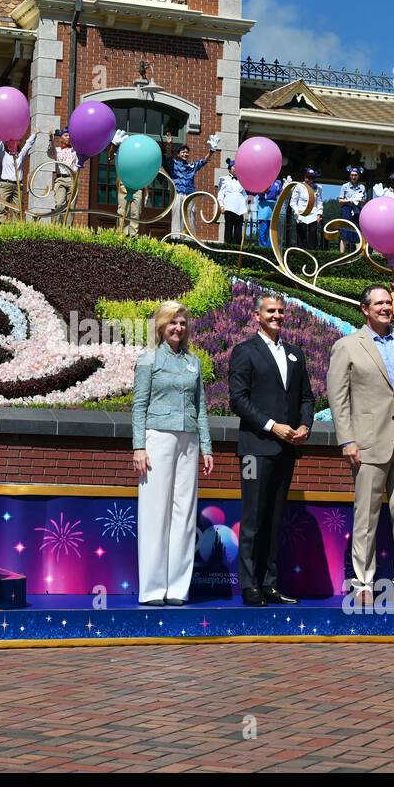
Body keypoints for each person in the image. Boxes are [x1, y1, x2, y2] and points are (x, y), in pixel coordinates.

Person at [326, 284, 394, 608]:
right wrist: (347, 440)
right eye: (379, 303)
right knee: (366, 517)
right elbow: (339, 399)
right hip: (367, 444)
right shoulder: (347, 346)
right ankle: (362, 583)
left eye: (389, 302)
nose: (386, 308)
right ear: (365, 309)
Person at [228, 292, 314, 607]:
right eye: (270, 311)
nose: (276, 315)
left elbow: (306, 397)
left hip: (286, 450)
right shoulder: (244, 352)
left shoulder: (296, 354)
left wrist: (305, 426)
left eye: (280, 311)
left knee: (276, 519)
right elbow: (238, 399)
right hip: (255, 449)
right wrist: (272, 426)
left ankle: (270, 583)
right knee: (253, 517)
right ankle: (250, 585)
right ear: (257, 316)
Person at [131, 301, 213, 606]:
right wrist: (139, 446)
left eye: (182, 323)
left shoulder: (194, 362)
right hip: (158, 438)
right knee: (155, 512)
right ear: (161, 326)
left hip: (189, 439)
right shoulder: (149, 360)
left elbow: (201, 407)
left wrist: (206, 445)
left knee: (184, 513)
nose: (178, 328)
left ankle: (178, 588)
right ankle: (152, 590)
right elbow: (139, 406)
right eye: (172, 323)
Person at [163, 132, 218, 237]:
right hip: (178, 195)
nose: (185, 154)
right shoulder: (173, 164)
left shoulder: (191, 166)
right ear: (178, 154)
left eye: (187, 152)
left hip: (190, 196)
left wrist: (212, 150)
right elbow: (168, 156)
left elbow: (203, 161)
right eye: (183, 152)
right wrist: (169, 145)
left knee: (190, 218)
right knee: (177, 217)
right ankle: (176, 239)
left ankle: (190, 241)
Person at [0, 130, 39, 221]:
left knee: (17, 209)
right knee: (2, 207)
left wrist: (35, 134)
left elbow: (28, 145)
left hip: (18, 185)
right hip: (5, 185)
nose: (13, 145)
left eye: (15, 143)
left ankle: (15, 228)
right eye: (10, 143)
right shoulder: (4, 155)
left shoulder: (20, 156)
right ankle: (1, 227)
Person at [47, 128, 79, 222]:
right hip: (60, 179)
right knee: (59, 203)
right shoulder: (57, 150)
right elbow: (50, 152)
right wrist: (50, 139)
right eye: (66, 135)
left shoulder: (75, 150)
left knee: (71, 206)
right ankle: (56, 227)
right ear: (61, 138)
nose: (68, 137)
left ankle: (67, 229)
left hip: (72, 179)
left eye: (70, 136)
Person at [216, 159, 248, 246]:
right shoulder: (224, 179)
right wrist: (221, 205)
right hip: (229, 207)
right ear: (230, 168)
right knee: (228, 229)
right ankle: (227, 247)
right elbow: (220, 194)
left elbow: (245, 193)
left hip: (239, 208)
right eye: (234, 167)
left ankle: (237, 249)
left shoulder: (242, 181)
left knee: (238, 232)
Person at [290, 168, 323, 249]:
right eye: (307, 177)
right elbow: (293, 202)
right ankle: (300, 252)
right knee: (301, 235)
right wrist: (297, 211)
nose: (308, 179)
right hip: (301, 213)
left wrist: (319, 213)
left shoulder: (318, 187)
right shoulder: (298, 186)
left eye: (311, 177)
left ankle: (313, 252)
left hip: (313, 214)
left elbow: (319, 202)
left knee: (313, 233)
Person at [338, 165, 365, 253]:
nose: (353, 177)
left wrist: (359, 200)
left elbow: (364, 201)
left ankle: (358, 255)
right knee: (344, 232)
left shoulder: (362, 187)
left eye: (355, 175)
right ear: (350, 176)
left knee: (357, 233)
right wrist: (350, 200)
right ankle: (341, 255)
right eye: (352, 175)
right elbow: (340, 201)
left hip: (357, 211)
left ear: (358, 176)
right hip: (346, 210)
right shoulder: (344, 186)